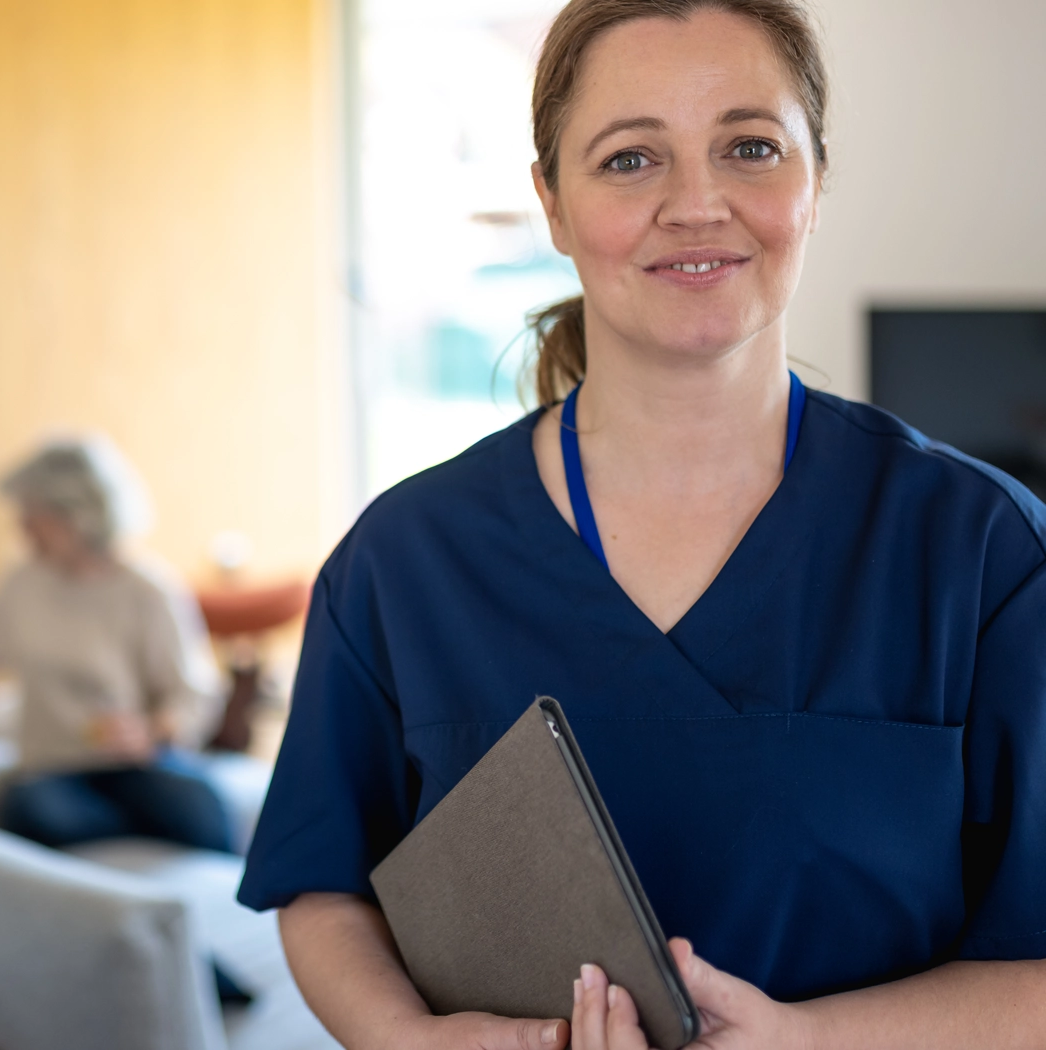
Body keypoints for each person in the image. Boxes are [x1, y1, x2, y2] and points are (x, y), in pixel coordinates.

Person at [238, 1, 1046, 1047]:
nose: (697, 203)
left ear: (816, 180)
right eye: (630, 160)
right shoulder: (405, 563)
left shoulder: (982, 552)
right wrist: (410, 1040)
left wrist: (813, 1041)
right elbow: (322, 889)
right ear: (553, 204)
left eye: (750, 147)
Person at [0, 437, 234, 854]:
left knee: (202, 805)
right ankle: (134, 834)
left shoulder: (149, 591)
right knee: (35, 811)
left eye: (34, 514)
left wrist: (152, 731)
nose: (23, 528)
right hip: (52, 768)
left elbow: (193, 694)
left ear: (77, 514)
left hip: (137, 762)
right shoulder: (22, 584)